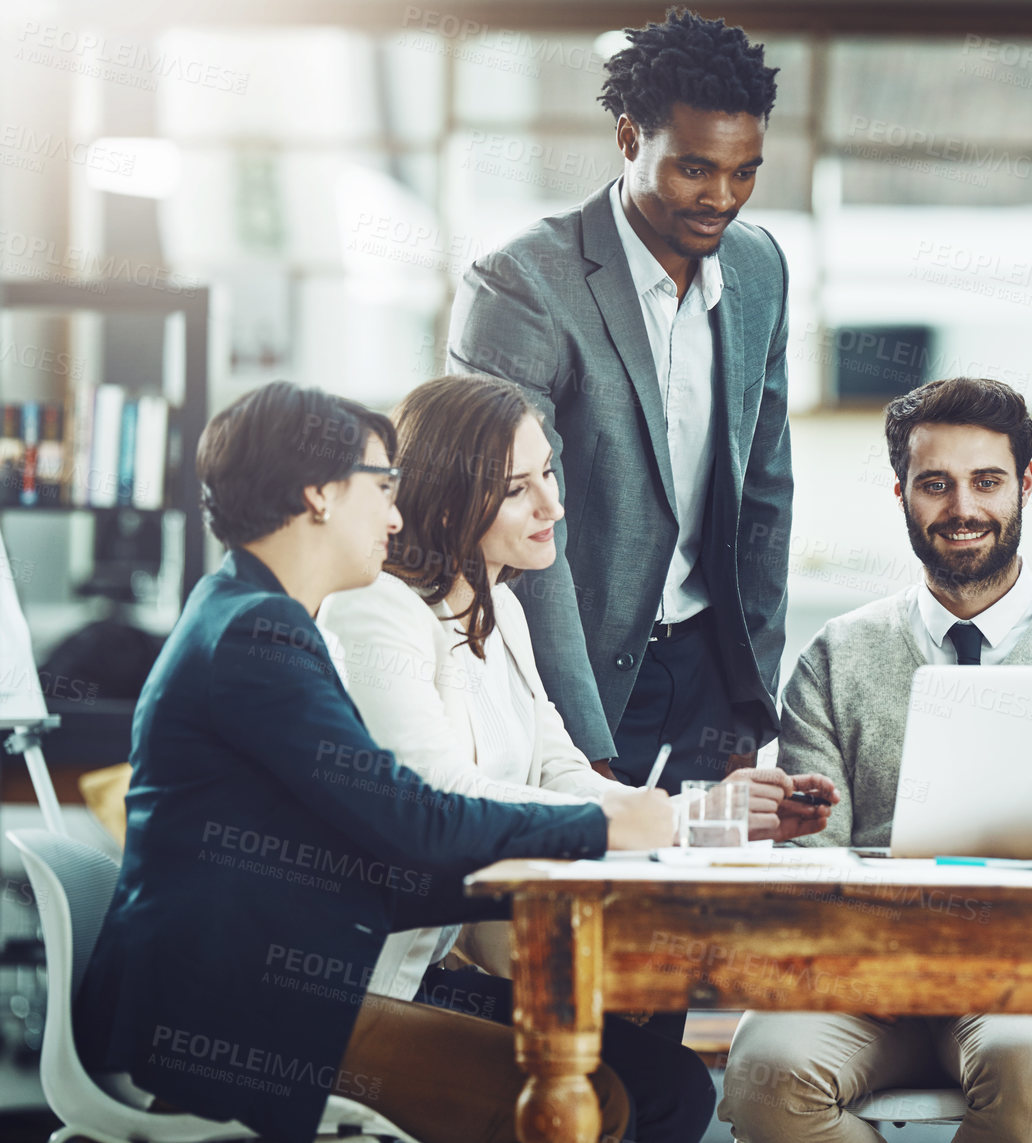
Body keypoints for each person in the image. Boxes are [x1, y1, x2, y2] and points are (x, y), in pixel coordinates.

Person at [73, 382, 673, 1143]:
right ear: (320, 494)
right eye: (382, 488)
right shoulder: (258, 635)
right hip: (231, 1019)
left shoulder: (253, 614)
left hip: (256, 992)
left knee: (641, 1072)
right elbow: (408, 818)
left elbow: (380, 830)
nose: (396, 514)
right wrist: (599, 827)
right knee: (597, 1096)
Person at [317, 374, 838, 1143]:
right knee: (637, 1092)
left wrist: (710, 812)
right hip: (367, 986)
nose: (553, 506)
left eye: (548, 475)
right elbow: (441, 793)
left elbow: (561, 773)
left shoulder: (503, 615)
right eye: (517, 489)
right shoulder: (380, 610)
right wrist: (641, 821)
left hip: (441, 970)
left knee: (672, 1082)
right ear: (448, 498)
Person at [718, 377, 1032, 1143]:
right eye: (935, 484)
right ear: (901, 494)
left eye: (986, 481)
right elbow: (815, 861)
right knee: (766, 1070)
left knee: (1030, 1061)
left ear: (1024, 485)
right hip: (861, 979)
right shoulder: (837, 656)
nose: (962, 508)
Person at [447, 9, 792, 792]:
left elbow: (764, 492)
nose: (722, 197)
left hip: (712, 668)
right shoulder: (522, 287)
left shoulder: (759, 269)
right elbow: (517, 522)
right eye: (695, 168)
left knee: (702, 907)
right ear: (630, 138)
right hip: (578, 667)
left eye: (744, 172)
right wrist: (576, 737)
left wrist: (750, 700)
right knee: (578, 905)